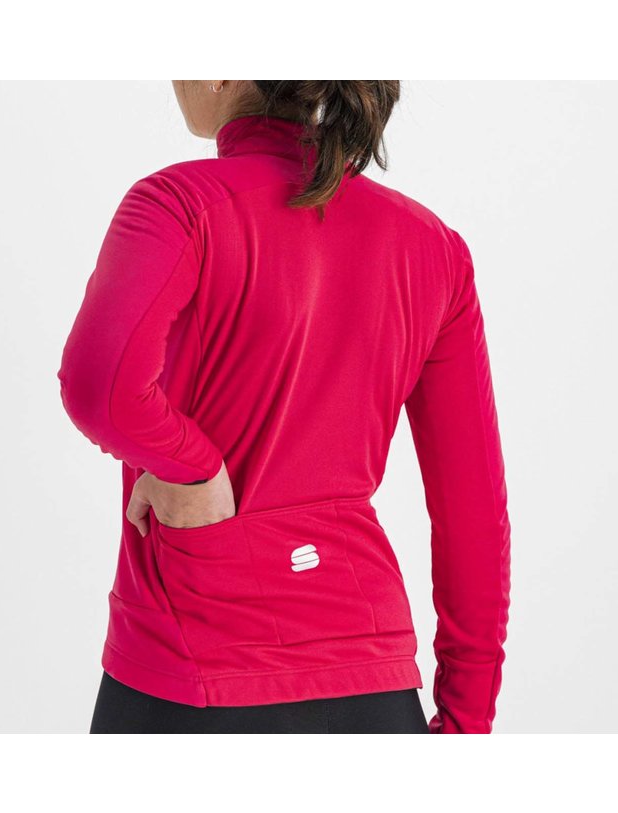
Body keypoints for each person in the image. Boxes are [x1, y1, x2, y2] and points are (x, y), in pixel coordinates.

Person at [57, 80, 511, 734]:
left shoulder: (179, 203)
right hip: (372, 683)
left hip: (195, 674)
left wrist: (195, 467)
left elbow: (100, 388)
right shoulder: (433, 247)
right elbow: (474, 512)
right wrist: (466, 721)